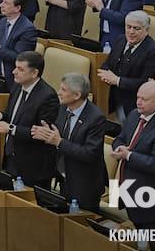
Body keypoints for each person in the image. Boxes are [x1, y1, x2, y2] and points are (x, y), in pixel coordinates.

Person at [110, 80, 155, 230]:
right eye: (138, 97)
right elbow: (120, 139)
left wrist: (128, 155)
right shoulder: (134, 115)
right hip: (134, 196)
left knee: (151, 243)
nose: (138, 102)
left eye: (144, 99)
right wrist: (118, 148)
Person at [30, 75, 106, 211]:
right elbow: (58, 135)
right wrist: (47, 134)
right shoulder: (62, 108)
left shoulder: (96, 118)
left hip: (84, 184)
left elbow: (89, 153)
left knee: (80, 222)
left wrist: (59, 142)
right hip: (63, 178)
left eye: (64, 90)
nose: (59, 92)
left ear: (77, 95)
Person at [0, 51, 60, 188]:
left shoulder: (48, 97)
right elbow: (13, 115)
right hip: (12, 156)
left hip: (33, 165)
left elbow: (42, 133)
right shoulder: (17, 85)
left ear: (34, 73)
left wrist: (11, 129)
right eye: (15, 67)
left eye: (20, 69)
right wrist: (1, 115)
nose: (14, 72)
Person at [99, 10, 155, 120]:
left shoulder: (153, 52)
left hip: (135, 106)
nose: (131, 32)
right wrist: (105, 74)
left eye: (136, 28)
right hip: (115, 100)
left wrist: (117, 80)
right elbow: (108, 64)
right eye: (128, 27)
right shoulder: (120, 40)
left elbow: (146, 84)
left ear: (146, 30)